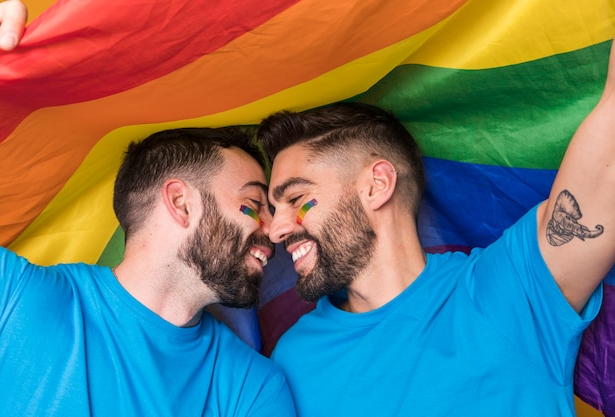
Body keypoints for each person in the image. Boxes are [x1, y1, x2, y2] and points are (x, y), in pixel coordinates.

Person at [256, 36, 615, 416]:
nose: (276, 231)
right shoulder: (291, 361)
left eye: (295, 200)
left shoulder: (511, 289)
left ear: (377, 185)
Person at [0, 127, 296, 416]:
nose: (274, 231)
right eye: (254, 204)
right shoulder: (8, 290)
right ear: (181, 203)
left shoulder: (254, 388)